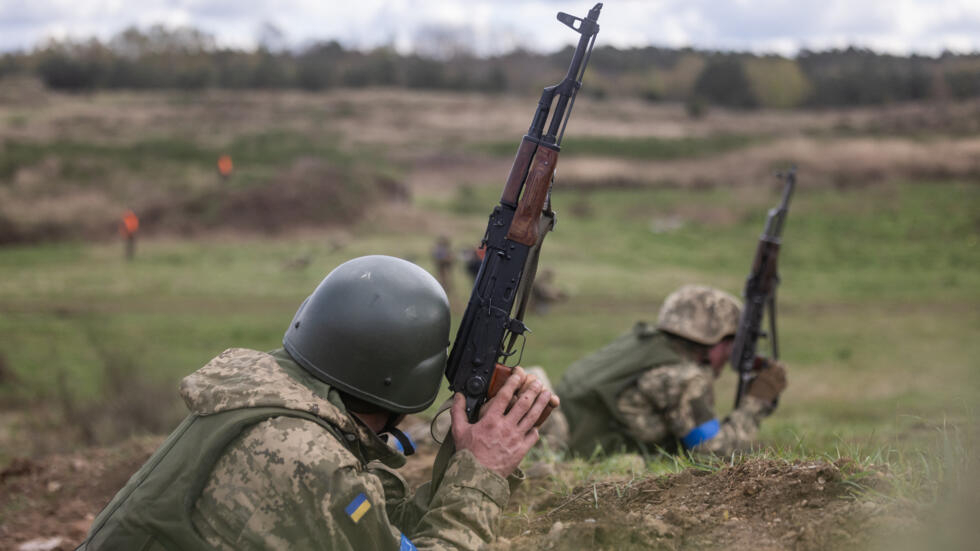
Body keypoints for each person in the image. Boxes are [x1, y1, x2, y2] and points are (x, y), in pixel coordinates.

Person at [79, 255, 553, 550]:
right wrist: (482, 474)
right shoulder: (308, 460)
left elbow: (388, 536)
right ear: (404, 384)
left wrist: (463, 461)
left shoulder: (271, 403)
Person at [555, 284, 788, 457]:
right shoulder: (682, 378)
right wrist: (756, 403)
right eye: (730, 344)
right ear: (714, 340)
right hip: (567, 448)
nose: (730, 355)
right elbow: (714, 453)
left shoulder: (643, 342)